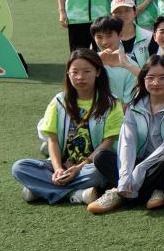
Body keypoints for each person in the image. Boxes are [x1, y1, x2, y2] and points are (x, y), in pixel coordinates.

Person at [11, 48, 122, 205]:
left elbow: (108, 143)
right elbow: (53, 139)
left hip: (90, 166)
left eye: (86, 71)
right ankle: (76, 194)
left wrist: (79, 168)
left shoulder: (112, 103)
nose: (80, 77)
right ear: (68, 74)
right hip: (63, 164)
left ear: (97, 72)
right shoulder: (59, 101)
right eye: (74, 72)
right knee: (20, 167)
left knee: (98, 174)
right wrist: (58, 169)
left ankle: (40, 189)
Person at [88, 55, 164, 214]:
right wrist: (125, 174)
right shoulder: (134, 106)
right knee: (101, 156)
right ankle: (151, 191)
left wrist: (139, 170)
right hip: (142, 161)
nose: (156, 83)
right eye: (150, 78)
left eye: (162, 77)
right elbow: (127, 142)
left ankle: (123, 194)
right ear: (143, 80)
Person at [90, 16, 139, 104]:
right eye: (99, 37)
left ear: (120, 35)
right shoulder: (87, 62)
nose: (104, 42)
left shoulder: (131, 66)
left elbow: (127, 103)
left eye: (109, 36)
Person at [111, 0, 153, 65]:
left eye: (127, 10)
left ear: (135, 12)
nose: (123, 14)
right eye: (118, 11)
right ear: (111, 15)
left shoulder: (149, 36)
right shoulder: (107, 39)